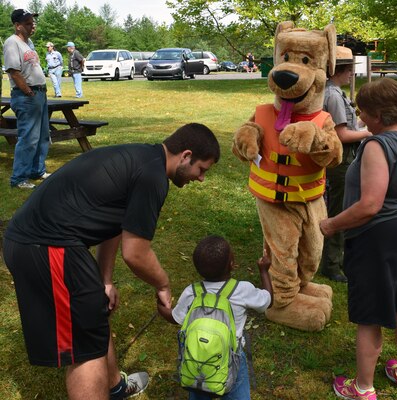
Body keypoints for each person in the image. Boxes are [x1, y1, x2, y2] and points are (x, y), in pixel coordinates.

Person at [3, 123, 220, 400]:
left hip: (47, 242)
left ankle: (114, 386)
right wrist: (163, 284)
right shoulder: (153, 176)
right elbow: (136, 254)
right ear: (186, 155)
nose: (201, 179)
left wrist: (104, 280)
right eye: (201, 170)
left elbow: (116, 225)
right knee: (85, 348)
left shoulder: (145, 158)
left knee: (93, 312)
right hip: (46, 246)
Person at [319, 78, 397, 400]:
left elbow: (370, 205)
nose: (360, 119)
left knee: (370, 317)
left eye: (363, 113)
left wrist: (331, 224)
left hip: (379, 239)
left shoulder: (376, 146)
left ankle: (363, 387)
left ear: (379, 116)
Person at [157, 235, 273, 400]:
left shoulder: (192, 292)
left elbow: (174, 318)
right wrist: (263, 271)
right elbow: (268, 300)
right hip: (233, 358)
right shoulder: (242, 290)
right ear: (232, 264)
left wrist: (160, 305)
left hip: (196, 356)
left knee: (198, 392)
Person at [319, 46, 371, 283]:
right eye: (350, 69)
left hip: (343, 160)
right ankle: (331, 264)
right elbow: (341, 135)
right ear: (340, 69)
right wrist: (368, 132)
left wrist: (360, 122)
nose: (352, 73)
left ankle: (336, 259)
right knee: (339, 211)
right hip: (341, 163)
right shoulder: (333, 96)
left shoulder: (333, 92)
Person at [3, 9, 50, 190]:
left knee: (42, 136)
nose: (33, 25)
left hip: (39, 94)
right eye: (29, 23)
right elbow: (14, 72)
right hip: (27, 96)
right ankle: (19, 178)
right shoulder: (11, 43)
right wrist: (29, 92)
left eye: (33, 22)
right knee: (28, 138)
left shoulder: (28, 42)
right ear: (17, 26)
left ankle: (37, 171)